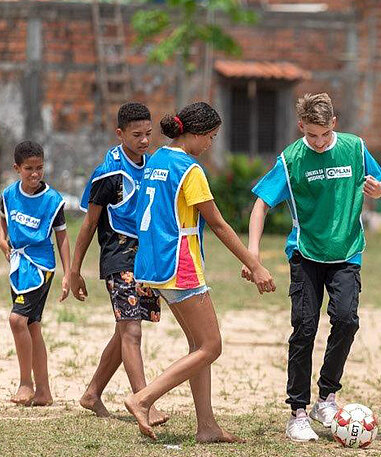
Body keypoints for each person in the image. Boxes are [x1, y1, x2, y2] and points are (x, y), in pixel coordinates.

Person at [124, 101, 274, 442]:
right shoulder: (190, 170)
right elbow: (219, 225)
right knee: (211, 346)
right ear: (194, 134)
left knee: (197, 345)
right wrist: (255, 264)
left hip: (154, 264)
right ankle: (142, 397)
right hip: (180, 266)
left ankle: (207, 426)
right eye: (211, 137)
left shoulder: (158, 159)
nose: (211, 144)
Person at [246, 93, 381, 442]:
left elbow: (380, 184)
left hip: (347, 253)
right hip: (305, 254)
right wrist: (253, 255)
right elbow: (261, 205)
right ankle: (297, 411)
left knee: (346, 319)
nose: (319, 142)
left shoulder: (355, 148)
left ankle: (327, 397)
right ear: (301, 127)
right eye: (312, 136)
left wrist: (378, 189)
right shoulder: (291, 159)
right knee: (304, 328)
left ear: (334, 124)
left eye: (324, 135)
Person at [69, 102, 167, 425]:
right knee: (132, 331)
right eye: (136, 135)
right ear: (120, 134)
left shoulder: (153, 166)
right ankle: (145, 402)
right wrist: (74, 269)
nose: (143, 140)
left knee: (123, 331)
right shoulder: (108, 173)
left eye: (148, 134)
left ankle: (93, 392)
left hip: (145, 260)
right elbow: (88, 225)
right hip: (118, 257)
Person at [0, 140, 71, 406]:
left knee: (17, 321)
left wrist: (68, 273)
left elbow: (62, 237)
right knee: (31, 326)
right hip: (19, 265)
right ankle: (44, 392)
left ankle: (25, 384)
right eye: (29, 168)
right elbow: (2, 220)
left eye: (39, 168)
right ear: (16, 168)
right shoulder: (8, 194)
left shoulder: (52, 200)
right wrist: (3, 243)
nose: (35, 174)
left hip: (41, 267)